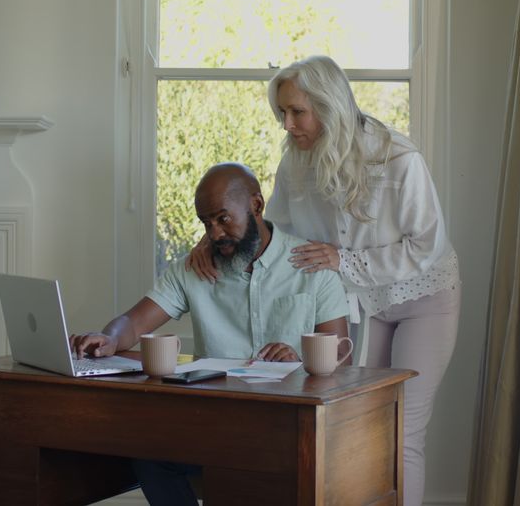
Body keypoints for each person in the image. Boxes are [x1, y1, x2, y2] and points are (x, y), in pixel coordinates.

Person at [188, 55, 461, 506]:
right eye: (282, 113)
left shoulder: (398, 158)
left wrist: (343, 259)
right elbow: (269, 227)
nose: (287, 125)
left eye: (297, 112)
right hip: (358, 302)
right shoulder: (295, 164)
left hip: (423, 296)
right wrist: (215, 240)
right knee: (354, 422)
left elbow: (426, 245)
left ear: (329, 105)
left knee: (404, 428)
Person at [71, 162, 350, 506]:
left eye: (222, 218)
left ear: (256, 206)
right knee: (150, 455)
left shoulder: (311, 266)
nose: (214, 233)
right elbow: (132, 323)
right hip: (217, 424)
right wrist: (109, 338)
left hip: (290, 428)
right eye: (206, 222)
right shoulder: (195, 269)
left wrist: (302, 358)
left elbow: (341, 354)